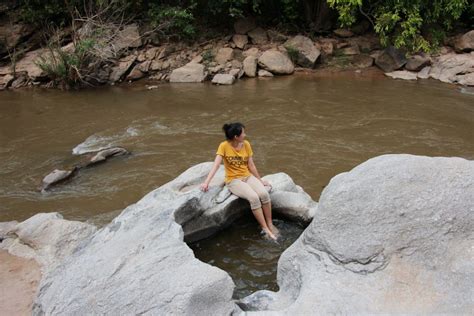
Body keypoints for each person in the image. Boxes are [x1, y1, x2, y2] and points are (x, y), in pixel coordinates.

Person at [200, 122, 278, 240]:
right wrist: (206, 182)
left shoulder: (246, 144)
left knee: (264, 194)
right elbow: (216, 165)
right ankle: (265, 228)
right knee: (254, 198)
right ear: (236, 137)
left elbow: (251, 165)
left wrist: (260, 180)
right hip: (233, 180)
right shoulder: (224, 146)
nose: (245, 135)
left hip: (247, 176)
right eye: (243, 133)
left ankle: (270, 223)